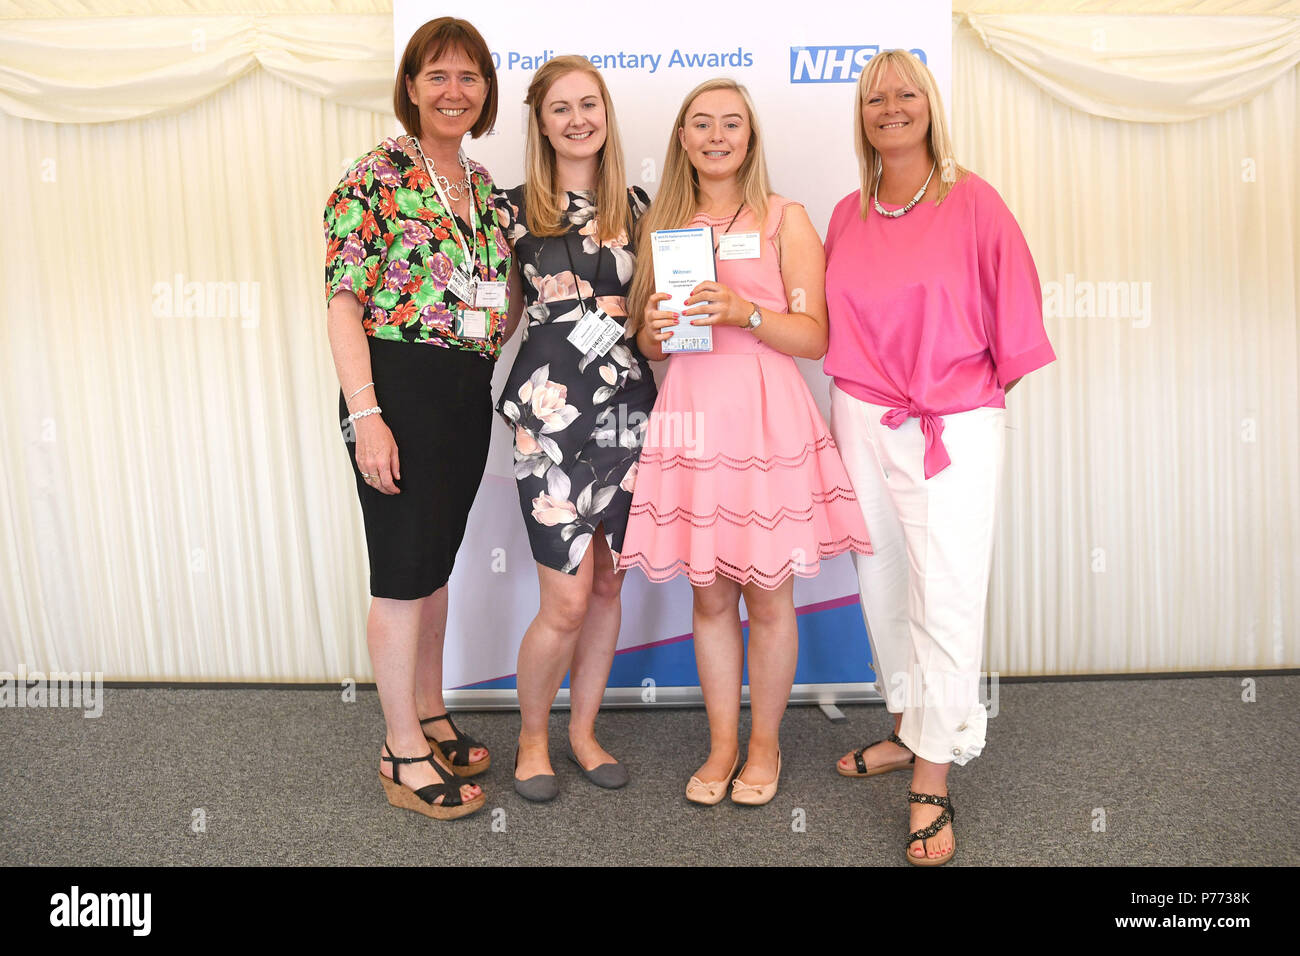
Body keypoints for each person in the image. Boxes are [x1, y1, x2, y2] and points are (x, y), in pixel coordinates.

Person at [824, 50, 1056, 864]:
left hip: (950, 426)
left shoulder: (974, 201)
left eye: (906, 93)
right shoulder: (847, 213)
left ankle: (932, 778)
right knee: (883, 581)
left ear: (929, 106)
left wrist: (959, 406)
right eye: (875, 96)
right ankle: (906, 724)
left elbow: (1017, 331)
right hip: (859, 414)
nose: (891, 106)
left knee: (946, 595)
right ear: (861, 115)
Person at [620, 78, 871, 807]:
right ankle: (723, 743)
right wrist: (653, 334)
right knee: (708, 600)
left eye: (732, 123)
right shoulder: (664, 224)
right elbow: (648, 336)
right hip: (692, 416)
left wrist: (746, 311)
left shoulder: (786, 218)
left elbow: (816, 337)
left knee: (768, 599)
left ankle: (765, 745)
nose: (717, 134)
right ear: (682, 139)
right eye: (702, 123)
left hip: (766, 417)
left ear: (751, 136)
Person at [323, 17, 517, 820]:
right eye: (437, 75)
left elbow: (499, 292)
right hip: (393, 389)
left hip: (464, 393)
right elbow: (343, 302)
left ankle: (430, 711)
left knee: (434, 561)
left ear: (484, 93)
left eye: (468, 77)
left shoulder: (481, 184)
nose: (453, 91)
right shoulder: (375, 174)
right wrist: (368, 417)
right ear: (410, 86)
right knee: (402, 575)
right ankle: (401, 749)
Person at [491, 56, 657, 801]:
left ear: (606, 113)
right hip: (548, 424)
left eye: (589, 104)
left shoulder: (642, 206)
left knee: (608, 589)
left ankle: (584, 733)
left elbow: (655, 323)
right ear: (541, 121)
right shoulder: (511, 210)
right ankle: (533, 739)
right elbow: (494, 321)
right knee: (563, 599)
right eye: (561, 108)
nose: (577, 118)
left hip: (628, 415)